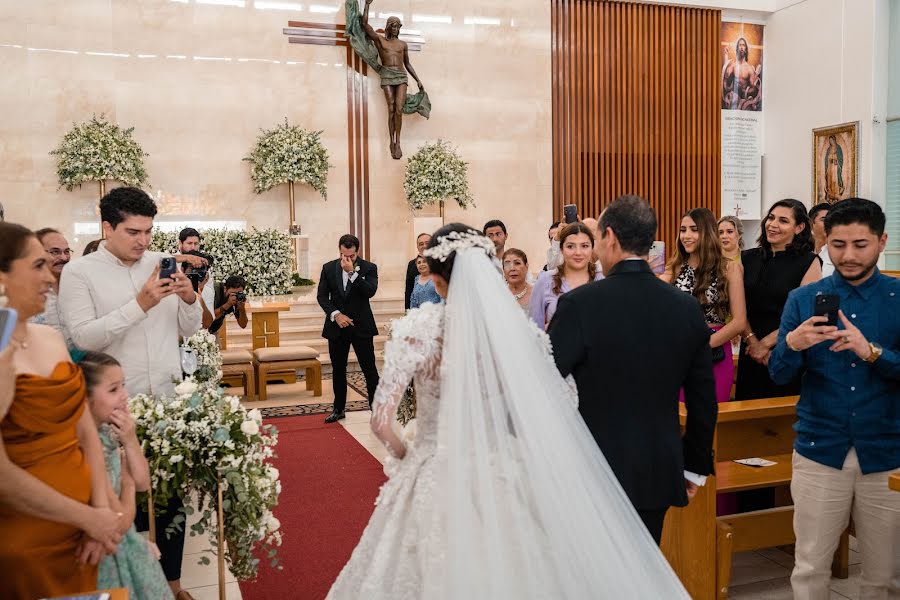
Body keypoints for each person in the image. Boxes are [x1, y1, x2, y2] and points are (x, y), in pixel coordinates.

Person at [326, 223, 691, 599]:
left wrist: (412, 455)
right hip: (502, 467)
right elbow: (564, 399)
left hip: (434, 468)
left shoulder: (418, 329)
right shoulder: (516, 332)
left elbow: (381, 422)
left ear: (435, 277)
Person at [58, 187, 202, 600]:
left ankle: (172, 583)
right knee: (127, 502)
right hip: (115, 411)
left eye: (149, 232)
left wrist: (189, 298)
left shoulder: (160, 263)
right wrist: (139, 304)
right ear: (106, 227)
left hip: (168, 403)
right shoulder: (80, 273)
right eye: (133, 231)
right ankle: (136, 586)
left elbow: (188, 329)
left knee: (172, 500)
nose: (143, 241)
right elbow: (83, 336)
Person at [548, 196, 718, 544]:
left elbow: (545, 379)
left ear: (609, 237)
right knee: (644, 566)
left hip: (591, 465)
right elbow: (704, 399)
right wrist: (695, 465)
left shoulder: (580, 304)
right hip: (658, 465)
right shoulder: (685, 307)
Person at [768, 198, 900, 599]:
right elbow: (778, 374)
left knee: (884, 576)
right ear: (825, 243)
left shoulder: (897, 298)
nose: (848, 255)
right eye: (838, 244)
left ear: (882, 242)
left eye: (860, 244)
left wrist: (872, 352)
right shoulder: (803, 299)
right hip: (819, 449)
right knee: (809, 569)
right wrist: (791, 344)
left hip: (887, 451)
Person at [0, 222, 121, 599]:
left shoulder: (50, 338)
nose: (51, 279)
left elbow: (84, 431)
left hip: (87, 527)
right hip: (25, 536)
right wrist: (88, 517)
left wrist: (100, 512)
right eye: (37, 266)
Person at [79, 351, 174, 599]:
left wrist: (130, 441)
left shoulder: (108, 433)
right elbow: (120, 520)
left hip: (125, 540)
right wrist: (127, 481)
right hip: (106, 549)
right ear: (86, 399)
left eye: (123, 385)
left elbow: (144, 482)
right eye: (113, 389)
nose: (124, 394)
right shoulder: (85, 447)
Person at [735, 199, 821, 401]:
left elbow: (804, 312)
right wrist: (752, 340)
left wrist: (765, 344)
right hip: (750, 348)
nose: (773, 225)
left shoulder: (809, 261)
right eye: (771, 218)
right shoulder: (746, 258)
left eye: (783, 221)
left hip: (786, 348)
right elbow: (738, 306)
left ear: (799, 228)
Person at [662, 208, 747, 403]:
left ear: (707, 232)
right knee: (679, 419)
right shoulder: (674, 267)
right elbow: (652, 299)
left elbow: (739, 321)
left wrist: (702, 345)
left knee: (710, 421)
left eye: (694, 229)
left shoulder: (729, 268)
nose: (686, 235)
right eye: (683, 230)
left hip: (715, 352)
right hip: (679, 352)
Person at [351, 0, 429, 159]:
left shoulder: (402, 44)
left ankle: (398, 141)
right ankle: (391, 140)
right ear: (389, 26)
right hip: (387, 75)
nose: (397, 29)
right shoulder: (381, 41)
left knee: (399, 109)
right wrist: (367, 5)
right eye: (394, 25)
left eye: (399, 26)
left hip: (401, 77)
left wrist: (418, 79)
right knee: (391, 108)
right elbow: (365, 26)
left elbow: (407, 63)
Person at [317, 234, 380, 423]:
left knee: (369, 369)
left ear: (357, 252)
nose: (346, 259)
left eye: (351, 256)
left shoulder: (369, 267)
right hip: (337, 327)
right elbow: (322, 297)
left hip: (362, 326)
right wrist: (336, 314)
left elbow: (370, 291)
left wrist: (352, 273)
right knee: (338, 369)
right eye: (343, 255)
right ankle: (339, 409)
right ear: (339, 250)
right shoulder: (328, 268)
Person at [529, 222, 601, 329]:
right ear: (561, 249)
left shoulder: (603, 279)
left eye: (584, 246)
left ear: (592, 248)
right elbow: (534, 330)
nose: (578, 252)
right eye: (570, 246)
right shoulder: (545, 280)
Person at [32, 228, 72, 338]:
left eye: (67, 251)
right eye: (55, 252)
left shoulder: (77, 286)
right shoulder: (26, 292)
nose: (64, 258)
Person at [176, 228, 214, 317]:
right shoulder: (171, 262)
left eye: (196, 244)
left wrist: (200, 290)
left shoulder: (204, 268)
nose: (193, 247)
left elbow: (209, 297)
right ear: (180, 243)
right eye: (189, 243)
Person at [722, 37, 761, 111]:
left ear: (746, 49)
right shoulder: (733, 65)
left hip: (744, 100)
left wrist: (744, 92)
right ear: (737, 48)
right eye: (740, 45)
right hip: (733, 99)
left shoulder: (749, 68)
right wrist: (726, 55)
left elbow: (753, 88)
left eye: (743, 45)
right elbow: (725, 76)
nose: (741, 47)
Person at [404, 233, 431, 310]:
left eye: (427, 243)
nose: (424, 246)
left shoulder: (441, 261)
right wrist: (407, 310)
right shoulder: (412, 264)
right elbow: (409, 289)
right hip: (417, 310)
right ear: (417, 247)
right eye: (421, 244)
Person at [809, 202, 835, 277]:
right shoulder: (802, 251)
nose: (829, 223)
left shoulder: (838, 254)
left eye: (832, 220)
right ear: (811, 223)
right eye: (823, 219)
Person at [824, 135, 844, 203]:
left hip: (835, 167)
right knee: (830, 180)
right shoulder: (828, 149)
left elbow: (840, 158)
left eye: (832, 140)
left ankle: (836, 194)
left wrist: (836, 159)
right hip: (830, 167)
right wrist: (830, 157)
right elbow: (826, 159)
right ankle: (830, 194)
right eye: (830, 141)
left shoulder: (838, 148)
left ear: (834, 140)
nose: (831, 142)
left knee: (835, 180)